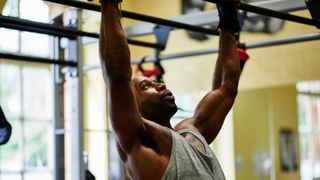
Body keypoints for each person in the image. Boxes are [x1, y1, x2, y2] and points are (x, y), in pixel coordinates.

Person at [99, 0, 241, 179]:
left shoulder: (192, 130)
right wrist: (109, 6)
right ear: (133, 105)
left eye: (154, 83)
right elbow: (117, 75)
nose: (160, 85)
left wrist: (227, 18)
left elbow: (226, 87)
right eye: (146, 86)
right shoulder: (141, 143)